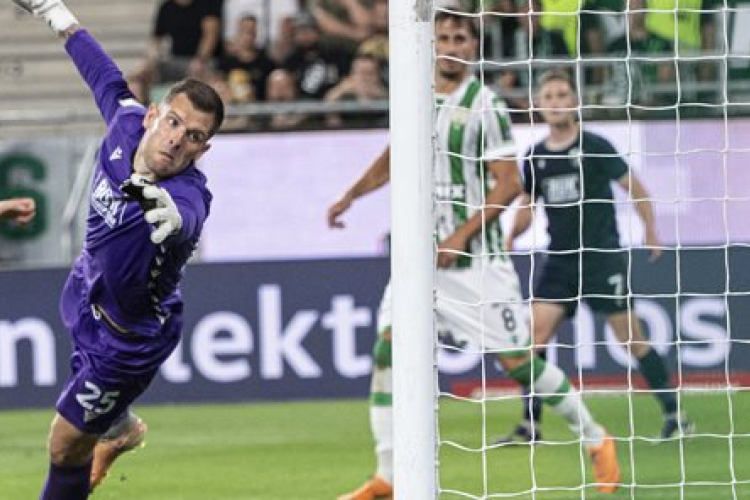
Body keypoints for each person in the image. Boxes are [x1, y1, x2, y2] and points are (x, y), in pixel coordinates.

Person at [327, 12, 621, 500]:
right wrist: (351, 196)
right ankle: (388, 475)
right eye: (441, 36)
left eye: (459, 37)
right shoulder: (416, 97)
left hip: (476, 265)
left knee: (518, 362)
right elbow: (395, 156)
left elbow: (509, 183)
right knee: (386, 350)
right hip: (420, 264)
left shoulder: (486, 105)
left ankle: (595, 438)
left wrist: (461, 235)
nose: (449, 44)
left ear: (473, 46)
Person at [10, 1, 225, 498]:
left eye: (194, 136)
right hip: (86, 289)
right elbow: (102, 75)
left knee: (65, 446)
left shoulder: (188, 193)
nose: (178, 140)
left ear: (203, 149)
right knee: (87, 425)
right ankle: (120, 425)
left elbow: (188, 218)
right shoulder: (126, 122)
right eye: (174, 123)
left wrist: (171, 218)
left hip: (129, 340)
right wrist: (56, 15)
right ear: (153, 114)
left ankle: (111, 428)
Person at [498, 69, 694, 446]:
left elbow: (637, 189)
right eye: (549, 97)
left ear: (575, 102)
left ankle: (675, 416)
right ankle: (530, 426)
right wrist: (510, 237)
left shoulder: (596, 146)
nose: (556, 103)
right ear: (539, 106)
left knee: (630, 338)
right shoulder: (536, 156)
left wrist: (651, 231)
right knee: (533, 339)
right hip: (560, 261)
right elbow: (528, 205)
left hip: (602, 258)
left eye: (562, 95)